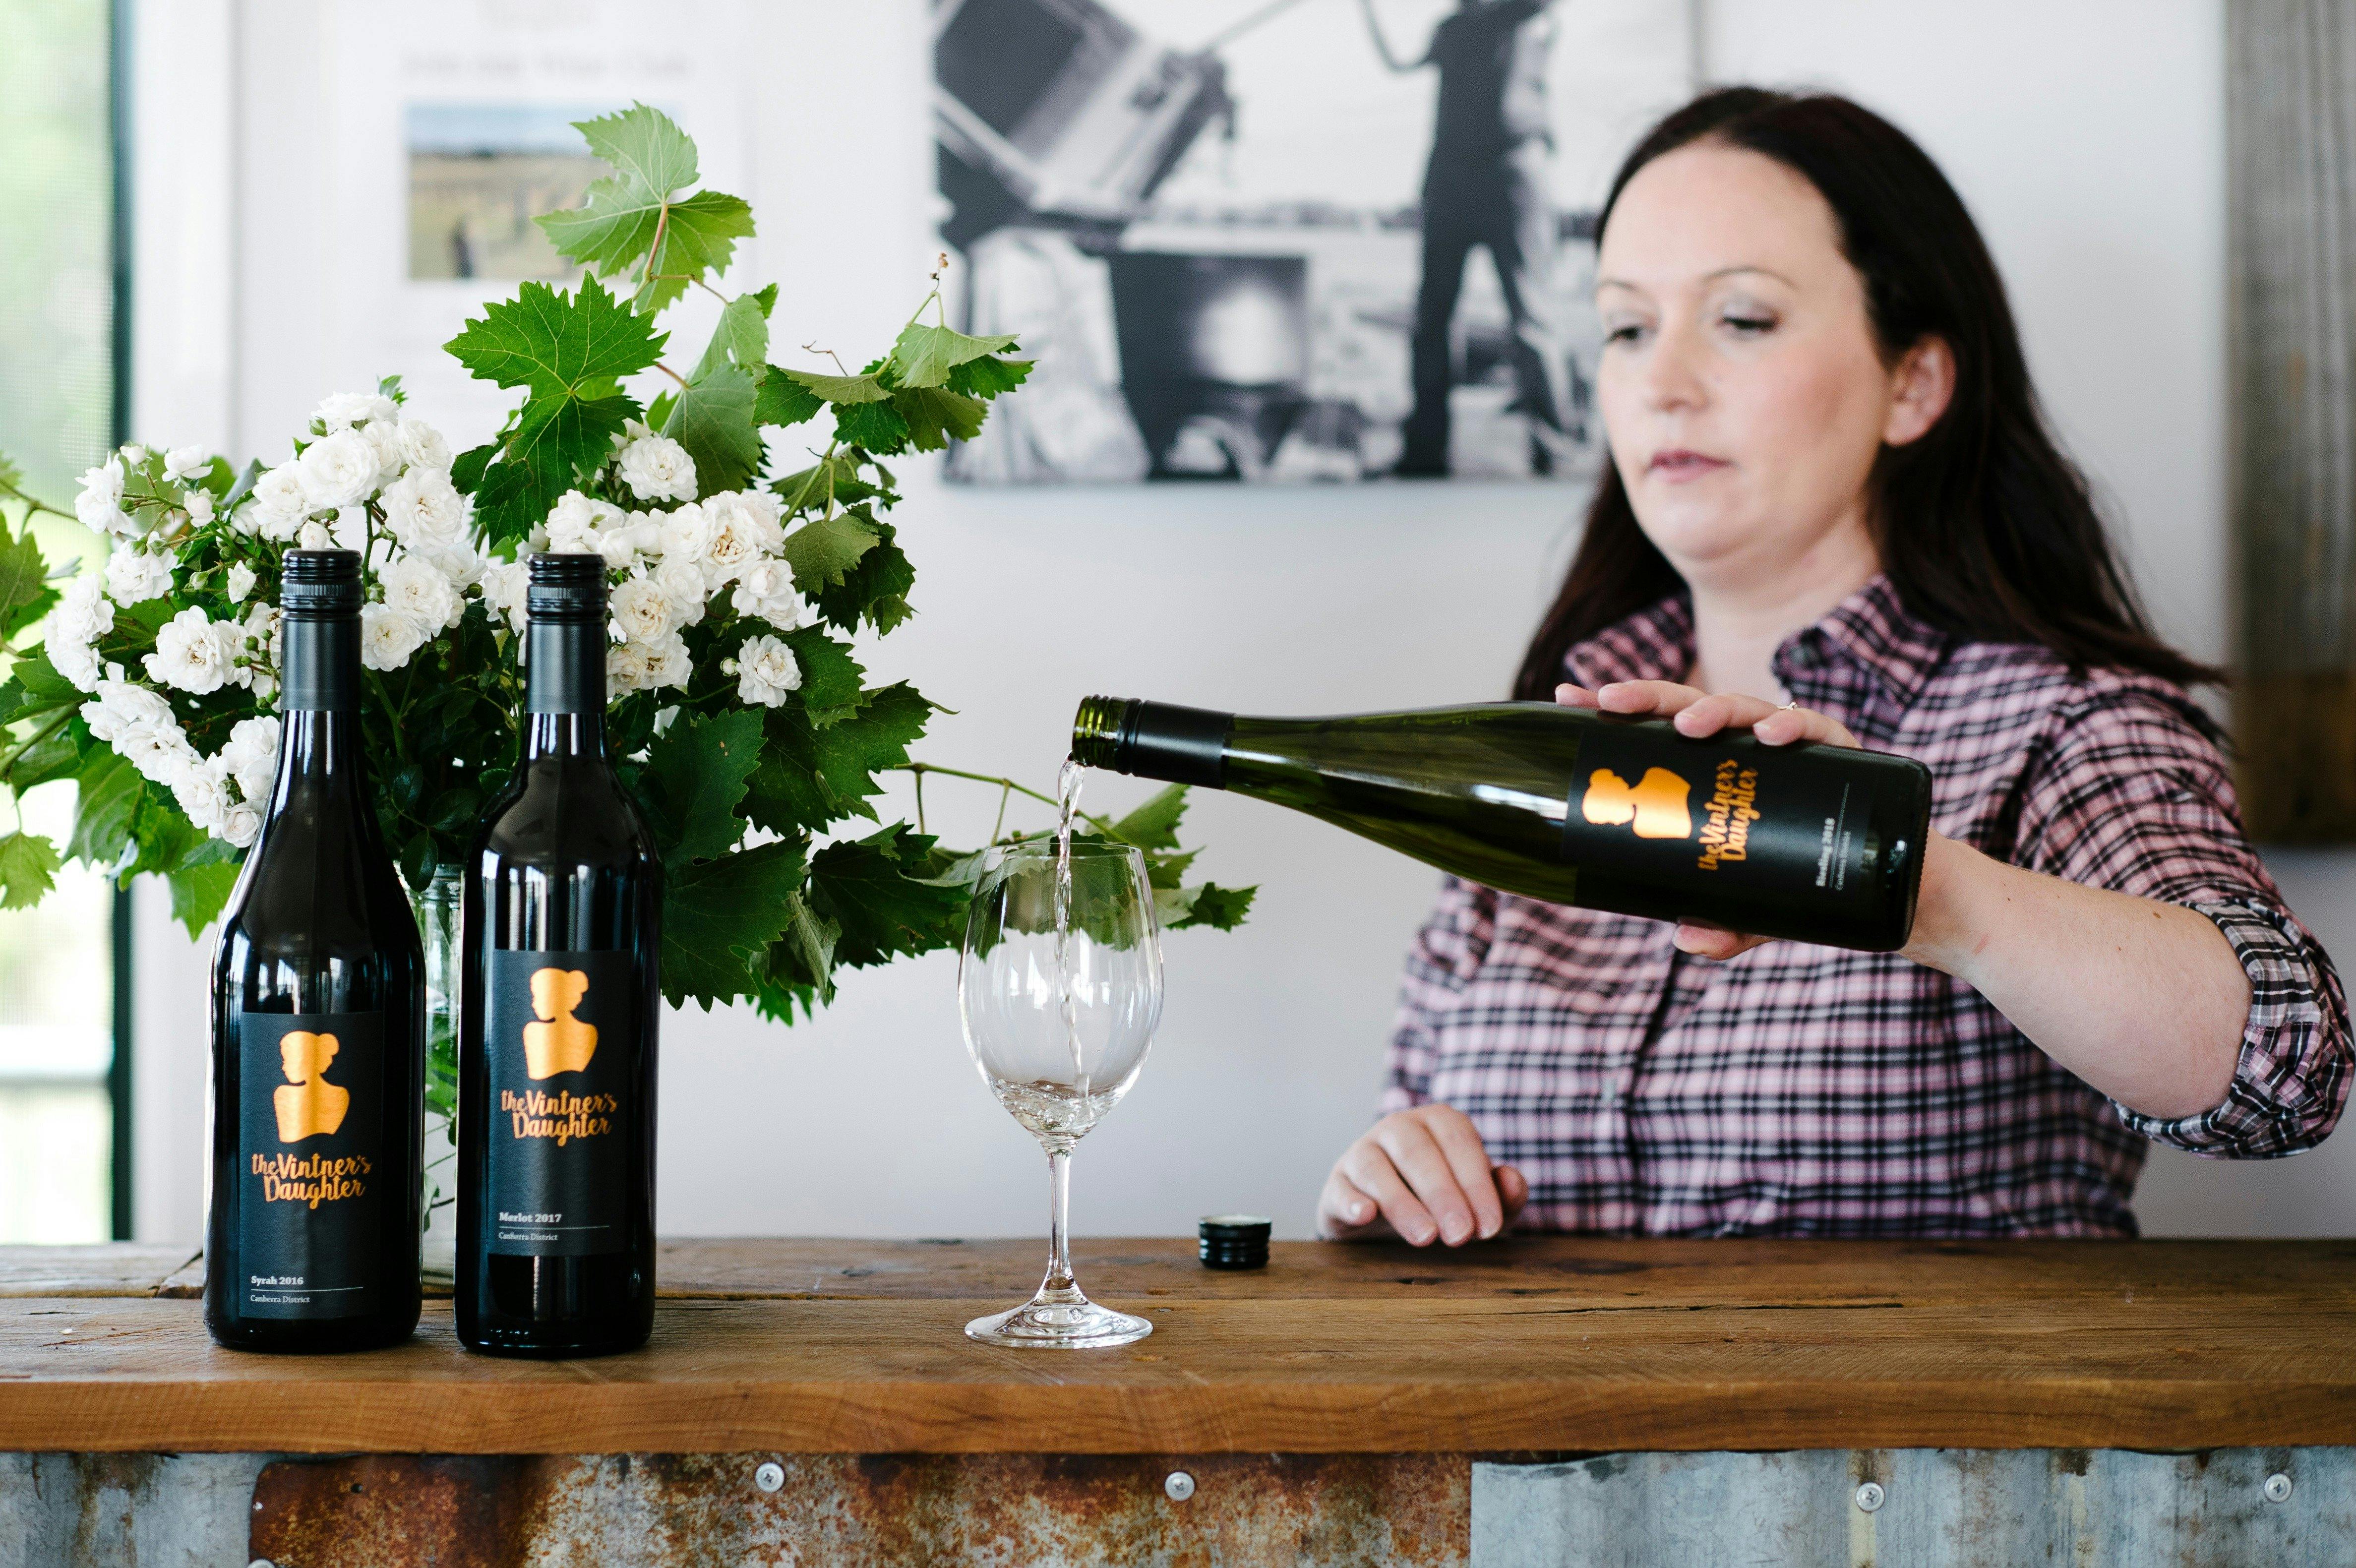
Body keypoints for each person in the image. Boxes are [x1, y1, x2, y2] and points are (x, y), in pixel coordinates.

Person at [1318, 88, 2352, 1244]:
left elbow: (2282, 1069)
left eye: (1741, 319)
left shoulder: (2058, 725)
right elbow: (1411, 1134)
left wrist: (1926, 889)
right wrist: (1396, 1181)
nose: (1662, 381)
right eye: (1623, 327)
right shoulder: (1546, 738)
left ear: (1911, 382)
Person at [1364, 0, 1572, 476]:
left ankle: (1554, 450)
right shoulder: (1452, 28)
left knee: (1531, 319)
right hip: (1450, 176)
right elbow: (1397, 60)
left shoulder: (1525, 14)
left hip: (1513, 173)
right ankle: (1425, 449)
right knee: (1432, 317)